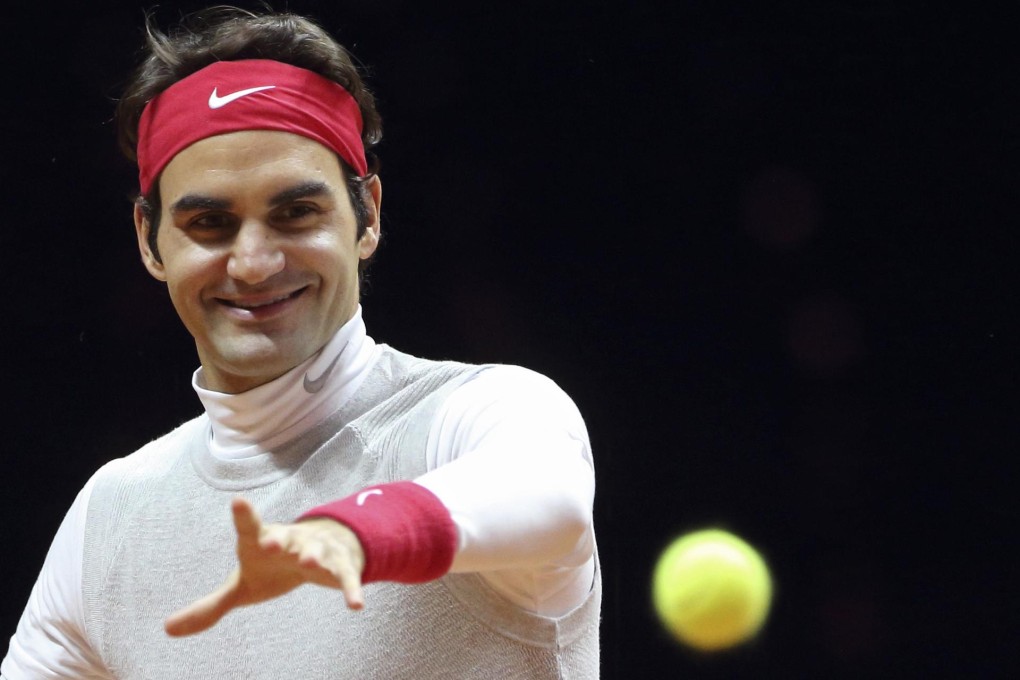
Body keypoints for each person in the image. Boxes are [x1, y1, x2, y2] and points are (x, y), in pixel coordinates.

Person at [1, 7, 600, 679]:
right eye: (210, 223)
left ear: (366, 215)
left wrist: (351, 532)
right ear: (149, 240)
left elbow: (549, 497)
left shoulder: (482, 413)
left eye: (295, 213)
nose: (253, 262)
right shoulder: (110, 515)